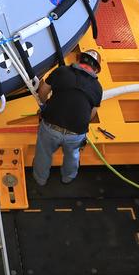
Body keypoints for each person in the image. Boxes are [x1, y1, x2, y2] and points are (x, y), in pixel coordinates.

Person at [31, 48, 103, 186]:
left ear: (78, 59)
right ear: (96, 70)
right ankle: (68, 178)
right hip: (75, 134)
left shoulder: (62, 71)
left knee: (43, 154)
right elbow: (91, 115)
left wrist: (46, 106)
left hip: (50, 127)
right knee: (72, 155)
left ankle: (40, 179)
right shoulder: (98, 88)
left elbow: (43, 91)